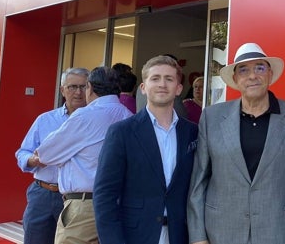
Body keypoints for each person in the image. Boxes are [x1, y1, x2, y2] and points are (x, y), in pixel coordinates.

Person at [187, 42, 285, 244]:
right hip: (221, 232)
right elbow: (199, 182)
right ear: (235, 78)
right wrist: (198, 238)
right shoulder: (211, 117)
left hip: (278, 231)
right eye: (244, 70)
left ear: (270, 74)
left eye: (260, 68)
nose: (252, 76)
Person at [94, 55, 198, 244]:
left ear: (179, 88)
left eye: (169, 79)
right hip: (135, 236)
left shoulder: (192, 132)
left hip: (180, 235)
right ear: (143, 87)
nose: (162, 84)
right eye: (155, 78)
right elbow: (105, 195)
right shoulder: (121, 132)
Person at [36, 66, 133, 244]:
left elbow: (45, 155)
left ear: (90, 87)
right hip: (120, 205)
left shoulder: (85, 115)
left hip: (85, 205)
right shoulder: (129, 116)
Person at [15, 67, 90, 244]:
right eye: (72, 87)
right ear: (62, 90)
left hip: (79, 200)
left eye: (83, 87)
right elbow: (22, 152)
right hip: (43, 193)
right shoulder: (45, 120)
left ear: (90, 89)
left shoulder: (97, 121)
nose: (78, 92)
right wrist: (33, 160)